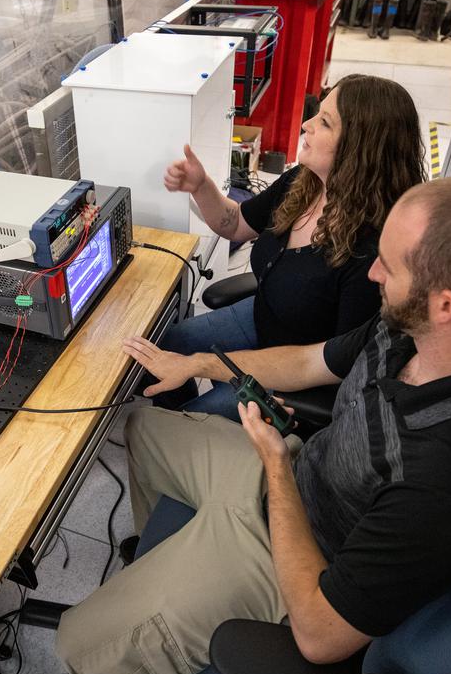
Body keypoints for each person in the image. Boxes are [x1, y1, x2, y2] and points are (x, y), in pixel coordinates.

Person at [55, 174, 451, 674]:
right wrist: (196, 364)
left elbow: (321, 637)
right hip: (296, 477)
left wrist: (274, 463)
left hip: (300, 562)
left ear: (446, 305)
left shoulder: (446, 480)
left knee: (80, 645)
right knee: (146, 429)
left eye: (390, 264)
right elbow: (306, 360)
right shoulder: (409, 333)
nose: (372, 272)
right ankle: (175, 565)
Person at [154, 74, 424, 420]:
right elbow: (235, 224)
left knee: (190, 422)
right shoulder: (303, 182)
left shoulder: (372, 249)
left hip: (303, 373)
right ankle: (179, 413)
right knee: (170, 343)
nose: (308, 125)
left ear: (360, 147)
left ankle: (186, 428)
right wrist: (201, 186)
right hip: (265, 317)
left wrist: (206, 367)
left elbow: (334, 365)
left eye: (324, 122)